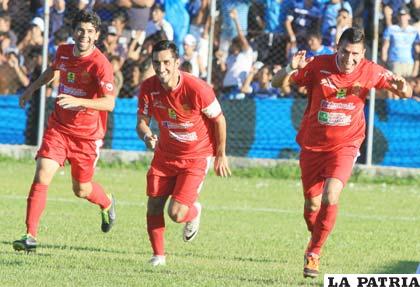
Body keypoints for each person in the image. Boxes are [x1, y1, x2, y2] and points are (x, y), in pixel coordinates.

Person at [272, 27, 412, 278]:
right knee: (312, 205)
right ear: (337, 47)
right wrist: (288, 68)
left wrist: (403, 88)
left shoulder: (370, 69)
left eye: (355, 54)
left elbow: (407, 92)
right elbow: (278, 84)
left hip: (346, 145)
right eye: (345, 52)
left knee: (331, 195)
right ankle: (317, 235)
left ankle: (314, 254)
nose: (350, 59)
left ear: (364, 53)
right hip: (313, 146)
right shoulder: (317, 65)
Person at [12, 10, 116, 252]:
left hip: (86, 137)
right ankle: (30, 236)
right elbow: (52, 71)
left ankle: (107, 202)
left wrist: (81, 102)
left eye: (90, 32)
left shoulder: (100, 64)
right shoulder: (63, 52)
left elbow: (109, 103)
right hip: (58, 128)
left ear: (96, 36)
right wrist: (31, 89)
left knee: (82, 189)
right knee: (42, 173)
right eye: (81, 30)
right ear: (74, 31)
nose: (84, 35)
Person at [136, 40, 231, 266]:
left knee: (177, 213)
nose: (161, 68)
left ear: (177, 62)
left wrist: (221, 154)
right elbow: (141, 122)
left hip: (196, 157)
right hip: (165, 155)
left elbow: (219, 120)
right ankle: (158, 256)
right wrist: (147, 135)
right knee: (154, 205)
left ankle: (194, 211)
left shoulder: (197, 89)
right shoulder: (149, 88)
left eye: (167, 62)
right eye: (156, 63)